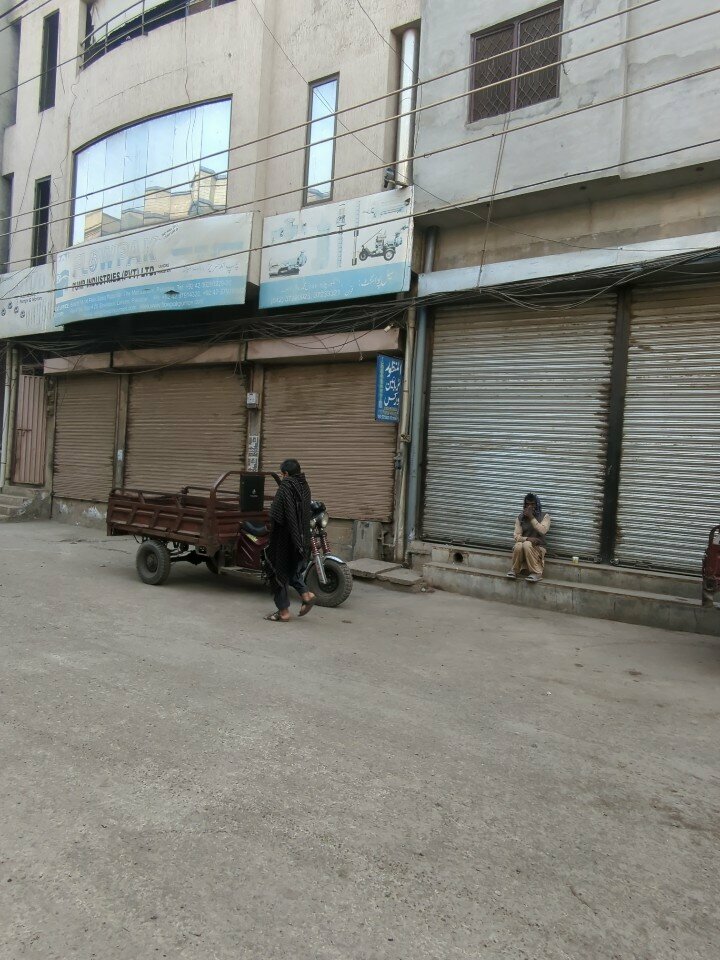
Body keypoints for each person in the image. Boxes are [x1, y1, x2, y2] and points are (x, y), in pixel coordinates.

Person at [264, 458, 316, 622]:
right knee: (292, 568)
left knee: (277, 571)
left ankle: (284, 612)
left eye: (282, 474)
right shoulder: (304, 485)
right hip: (300, 537)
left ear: (285, 473)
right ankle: (306, 595)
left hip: (283, 537)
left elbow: (276, 513)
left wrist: (268, 528)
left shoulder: (285, 486)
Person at [507, 493, 551, 582]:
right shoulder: (520, 517)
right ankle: (514, 570)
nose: (530, 507)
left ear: (537, 504)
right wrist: (528, 538)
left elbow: (543, 530)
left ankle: (537, 573)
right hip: (524, 546)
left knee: (526, 544)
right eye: (527, 504)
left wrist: (531, 517)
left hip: (539, 547)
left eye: (532, 504)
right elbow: (516, 536)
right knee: (519, 545)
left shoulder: (545, 516)